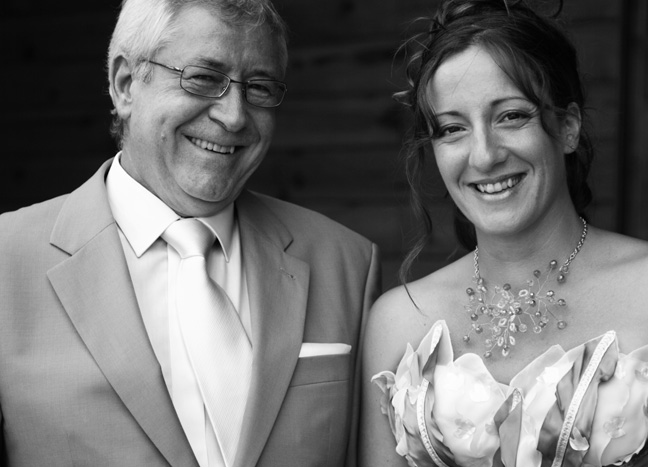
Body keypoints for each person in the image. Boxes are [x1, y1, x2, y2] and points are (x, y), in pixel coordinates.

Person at [0, 0, 380, 466]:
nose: (235, 116)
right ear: (125, 84)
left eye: (259, 87)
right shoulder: (6, 259)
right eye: (203, 78)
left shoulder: (347, 263)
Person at [360, 0, 648, 466]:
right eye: (453, 128)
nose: (484, 156)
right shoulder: (397, 321)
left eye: (511, 116)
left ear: (568, 127)